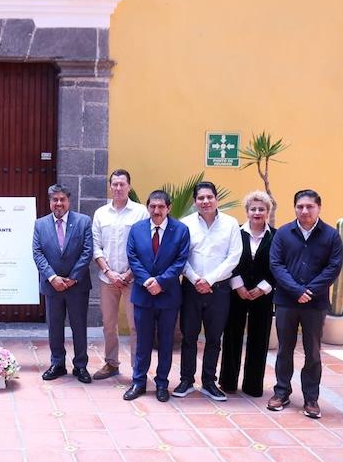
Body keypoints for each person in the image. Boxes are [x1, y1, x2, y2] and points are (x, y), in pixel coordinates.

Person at [267, 189, 343, 419]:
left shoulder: (331, 236)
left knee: (313, 352)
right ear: (295, 208)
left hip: (315, 304)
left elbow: (333, 267)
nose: (304, 210)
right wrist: (297, 290)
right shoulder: (283, 233)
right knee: (284, 349)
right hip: (286, 301)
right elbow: (276, 264)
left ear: (319, 207)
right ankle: (281, 392)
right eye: (300, 206)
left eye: (309, 206)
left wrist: (310, 291)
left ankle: (311, 398)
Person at [174, 181, 242, 401]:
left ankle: (209, 382)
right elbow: (181, 256)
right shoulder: (185, 224)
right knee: (189, 336)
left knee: (214, 338)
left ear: (216, 199)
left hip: (219, 290)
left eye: (209, 197)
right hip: (191, 289)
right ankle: (186, 380)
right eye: (201, 198)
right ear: (195, 202)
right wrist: (196, 279)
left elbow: (234, 257)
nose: (205, 201)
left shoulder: (231, 224)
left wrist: (210, 280)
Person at [123, 190, 190, 402]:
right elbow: (132, 257)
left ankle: (162, 383)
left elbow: (180, 261)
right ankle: (139, 382)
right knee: (142, 342)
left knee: (166, 342)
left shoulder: (181, 230)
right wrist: (147, 281)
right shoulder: (137, 229)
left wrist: (161, 282)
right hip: (143, 295)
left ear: (168, 208)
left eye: (161, 207)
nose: (156, 210)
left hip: (168, 296)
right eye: (152, 206)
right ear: (148, 207)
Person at [32, 184, 93, 384]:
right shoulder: (40, 224)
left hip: (77, 286)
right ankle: (57, 364)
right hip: (53, 286)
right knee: (55, 327)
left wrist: (73, 277)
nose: (58, 203)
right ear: (50, 202)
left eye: (62, 199)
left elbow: (87, 252)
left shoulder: (83, 221)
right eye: (55, 200)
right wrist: (52, 277)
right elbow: (37, 253)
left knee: (79, 327)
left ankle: (80, 366)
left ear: (68, 201)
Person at [91, 169, 148, 380]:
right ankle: (111, 363)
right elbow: (96, 246)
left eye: (122, 184)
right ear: (110, 186)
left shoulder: (141, 212)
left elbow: (145, 247)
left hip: (133, 279)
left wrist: (129, 274)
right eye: (114, 184)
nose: (118, 188)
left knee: (136, 326)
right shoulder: (101, 213)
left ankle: (137, 370)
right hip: (108, 279)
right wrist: (109, 272)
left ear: (129, 187)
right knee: (108, 325)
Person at [219, 191, 275, 397]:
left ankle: (253, 385)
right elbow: (229, 260)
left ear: (267, 212)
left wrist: (263, 288)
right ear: (247, 211)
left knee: (259, 338)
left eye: (261, 209)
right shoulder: (236, 233)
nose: (257, 212)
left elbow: (279, 265)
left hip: (263, 295)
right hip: (237, 292)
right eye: (253, 209)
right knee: (232, 336)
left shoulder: (275, 236)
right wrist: (238, 286)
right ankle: (228, 382)